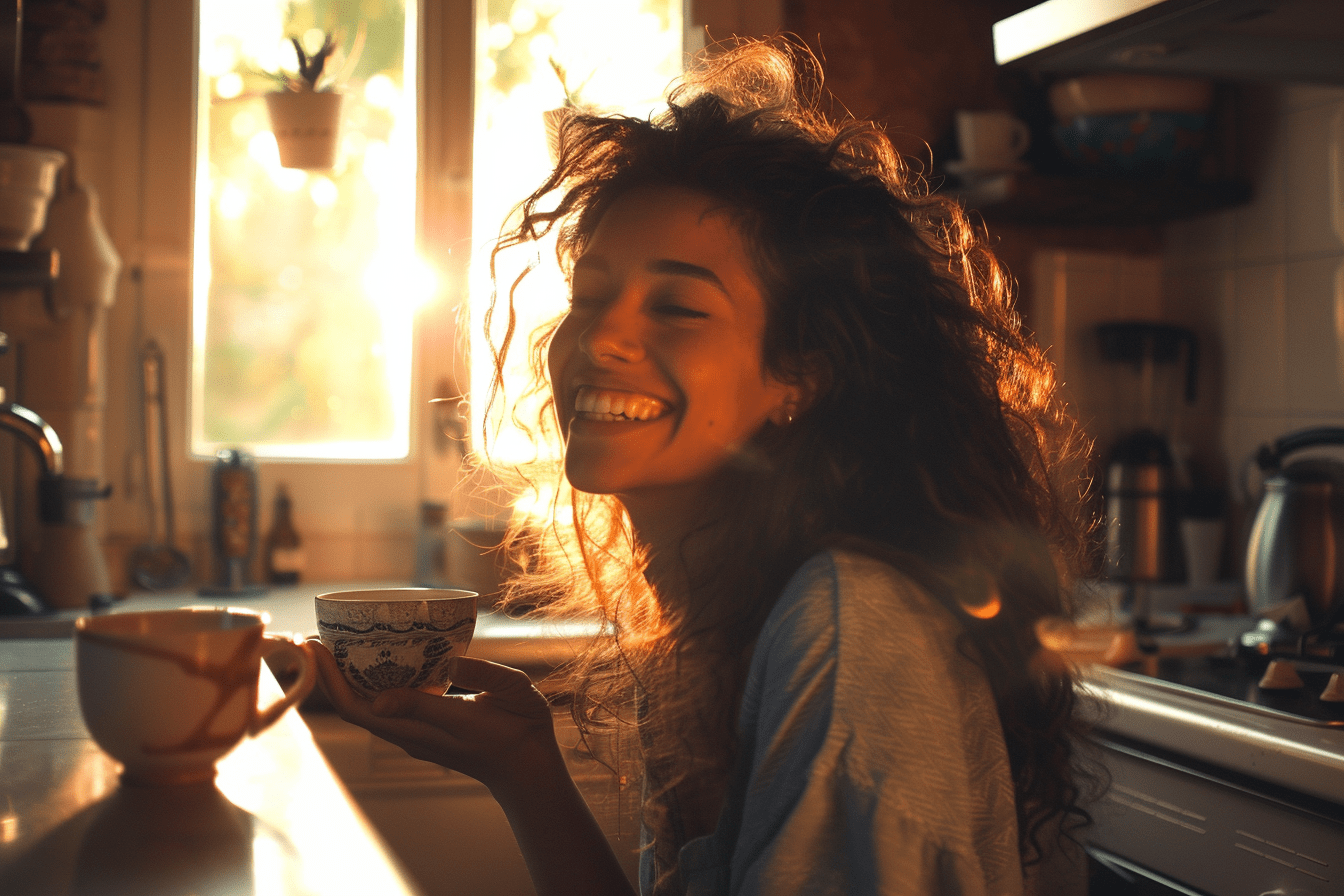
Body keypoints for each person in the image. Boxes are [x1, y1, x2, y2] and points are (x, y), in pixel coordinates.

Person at [311, 36, 1097, 896]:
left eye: (678, 307)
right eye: (590, 294)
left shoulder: (848, 629)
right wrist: (526, 772)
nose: (600, 337)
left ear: (802, 373)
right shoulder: (716, 613)